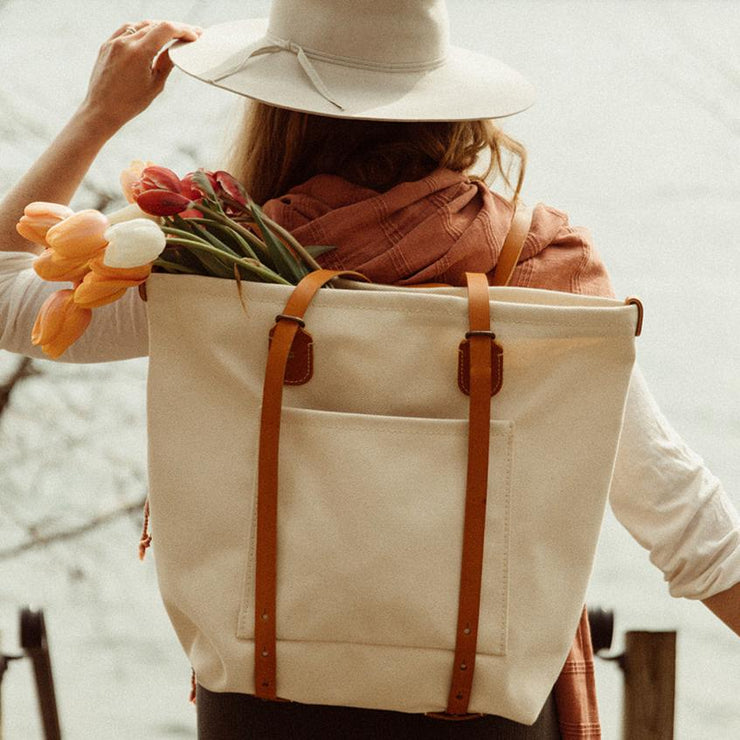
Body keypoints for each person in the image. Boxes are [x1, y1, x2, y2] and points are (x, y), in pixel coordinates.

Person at [0, 3, 738, 739]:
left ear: (276, 112)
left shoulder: (219, 275)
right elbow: (683, 520)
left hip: (265, 712)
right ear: (451, 110)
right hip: (484, 712)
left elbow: (9, 299)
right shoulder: (538, 274)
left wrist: (100, 113)